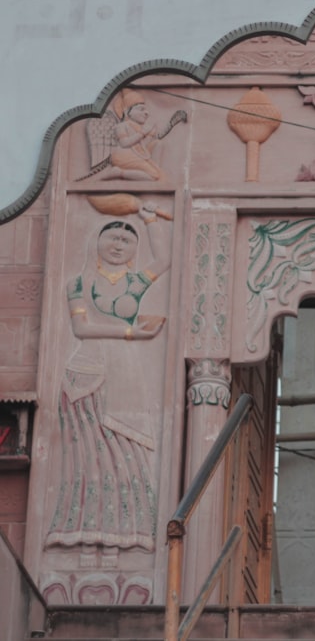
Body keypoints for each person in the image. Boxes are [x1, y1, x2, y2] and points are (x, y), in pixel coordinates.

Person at [45, 205, 170, 565]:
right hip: (85, 375)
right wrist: (131, 332)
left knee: (127, 460)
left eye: (127, 239)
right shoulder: (79, 283)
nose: (119, 244)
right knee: (89, 462)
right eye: (113, 237)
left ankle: (120, 545)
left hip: (126, 376)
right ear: (97, 241)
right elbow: (81, 329)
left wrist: (149, 219)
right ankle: (84, 547)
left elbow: (163, 258)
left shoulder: (135, 282)